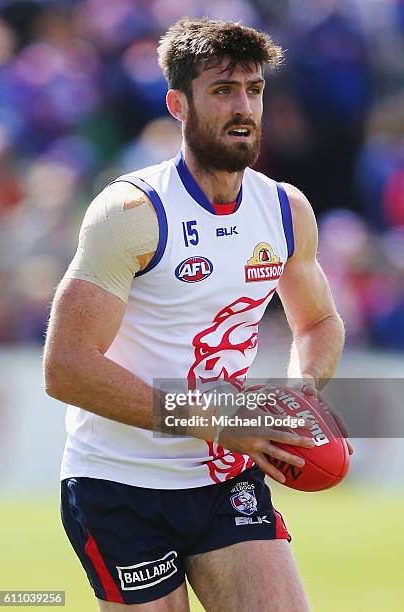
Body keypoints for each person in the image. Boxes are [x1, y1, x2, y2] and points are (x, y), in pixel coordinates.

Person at [44, 17, 352, 611]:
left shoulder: (286, 210)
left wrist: (298, 393)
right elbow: (67, 368)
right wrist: (219, 422)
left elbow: (319, 323)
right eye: (222, 91)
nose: (243, 107)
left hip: (224, 477)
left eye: (254, 90)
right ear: (176, 104)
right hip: (120, 483)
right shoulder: (133, 211)